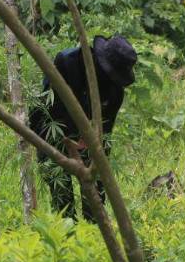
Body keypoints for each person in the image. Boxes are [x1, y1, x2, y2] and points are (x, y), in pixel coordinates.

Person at [30, 34, 137, 221]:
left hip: (90, 142)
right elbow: (51, 107)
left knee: (95, 202)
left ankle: (93, 236)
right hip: (54, 134)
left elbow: (106, 128)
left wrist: (91, 142)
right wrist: (73, 139)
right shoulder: (67, 62)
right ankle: (68, 238)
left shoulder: (115, 91)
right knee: (63, 203)